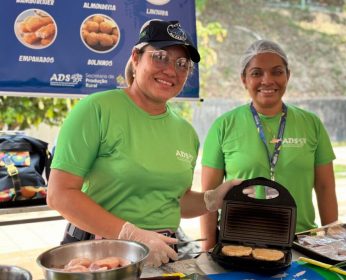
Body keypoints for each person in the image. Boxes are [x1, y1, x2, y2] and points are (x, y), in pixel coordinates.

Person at [47, 19, 241, 268]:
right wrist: (132, 236)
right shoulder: (96, 109)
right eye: (160, 57)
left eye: (182, 64)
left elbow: (173, 200)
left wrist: (210, 200)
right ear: (136, 58)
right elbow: (60, 194)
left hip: (163, 254)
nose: (171, 70)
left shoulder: (185, 132)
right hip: (99, 256)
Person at [200, 39, 338, 251]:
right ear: (244, 80)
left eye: (277, 72)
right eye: (256, 73)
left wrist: (331, 240)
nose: (267, 80)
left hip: (300, 243)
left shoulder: (311, 124)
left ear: (287, 76)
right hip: (238, 244)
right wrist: (208, 249)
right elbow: (209, 197)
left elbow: (325, 187)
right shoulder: (224, 125)